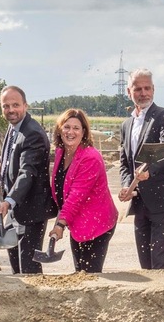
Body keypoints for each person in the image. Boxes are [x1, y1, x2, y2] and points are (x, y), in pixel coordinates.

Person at [117, 69, 164, 269]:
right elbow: (125, 161)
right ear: (129, 92)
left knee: (160, 262)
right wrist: (126, 186)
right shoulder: (126, 125)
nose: (143, 93)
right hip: (140, 202)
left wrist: (150, 171)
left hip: (162, 201)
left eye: (147, 88)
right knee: (144, 261)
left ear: (154, 90)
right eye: (138, 89)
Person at [0, 85, 51, 274]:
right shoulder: (14, 127)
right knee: (16, 265)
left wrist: (8, 200)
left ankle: (36, 302)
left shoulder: (33, 133)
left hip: (31, 210)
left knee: (29, 268)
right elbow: (18, 155)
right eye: (6, 106)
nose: (11, 110)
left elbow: (27, 172)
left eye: (16, 105)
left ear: (25, 105)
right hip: (16, 208)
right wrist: (2, 161)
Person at [48, 109, 118, 273]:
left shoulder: (90, 158)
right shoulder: (61, 153)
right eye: (66, 127)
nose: (70, 132)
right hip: (77, 223)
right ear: (59, 130)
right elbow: (63, 191)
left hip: (96, 224)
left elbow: (76, 197)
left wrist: (60, 225)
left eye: (76, 128)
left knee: (90, 275)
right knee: (80, 272)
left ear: (84, 132)